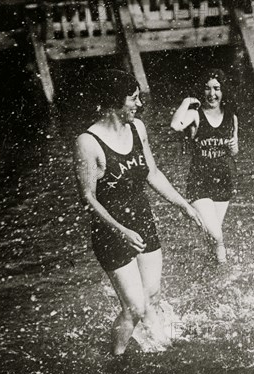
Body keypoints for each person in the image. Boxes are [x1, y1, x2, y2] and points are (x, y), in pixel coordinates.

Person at [74, 69, 204, 355]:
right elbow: (87, 199)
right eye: (133, 99)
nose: (139, 104)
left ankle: (160, 348)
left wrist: (184, 205)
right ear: (114, 101)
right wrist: (122, 230)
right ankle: (116, 357)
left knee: (152, 296)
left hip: (142, 221)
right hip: (110, 232)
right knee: (133, 307)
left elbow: (152, 173)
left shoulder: (138, 128)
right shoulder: (88, 143)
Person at [170, 69, 239, 264]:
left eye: (216, 88)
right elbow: (175, 125)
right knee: (217, 236)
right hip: (199, 182)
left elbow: (234, 152)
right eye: (207, 89)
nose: (212, 94)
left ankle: (211, 274)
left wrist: (233, 147)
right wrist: (186, 101)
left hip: (224, 181)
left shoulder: (231, 117)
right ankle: (225, 272)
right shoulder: (195, 114)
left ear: (223, 91)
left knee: (212, 238)